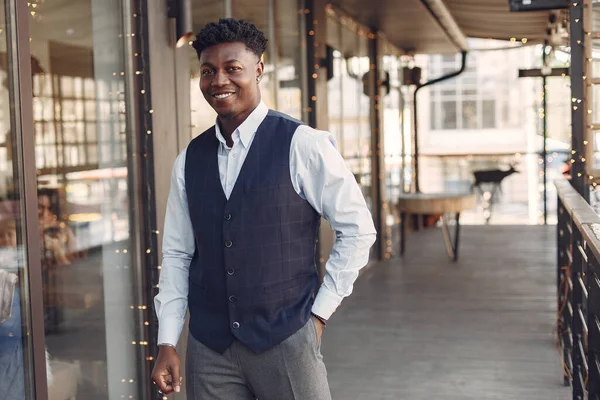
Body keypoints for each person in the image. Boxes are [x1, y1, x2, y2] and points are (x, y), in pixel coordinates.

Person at [151, 18, 376, 399]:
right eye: (208, 71)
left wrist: (319, 315)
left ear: (258, 69)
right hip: (210, 348)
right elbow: (176, 254)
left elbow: (357, 229)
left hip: (286, 340)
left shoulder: (303, 144)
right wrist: (167, 340)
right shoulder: (189, 159)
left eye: (232, 68)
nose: (219, 80)